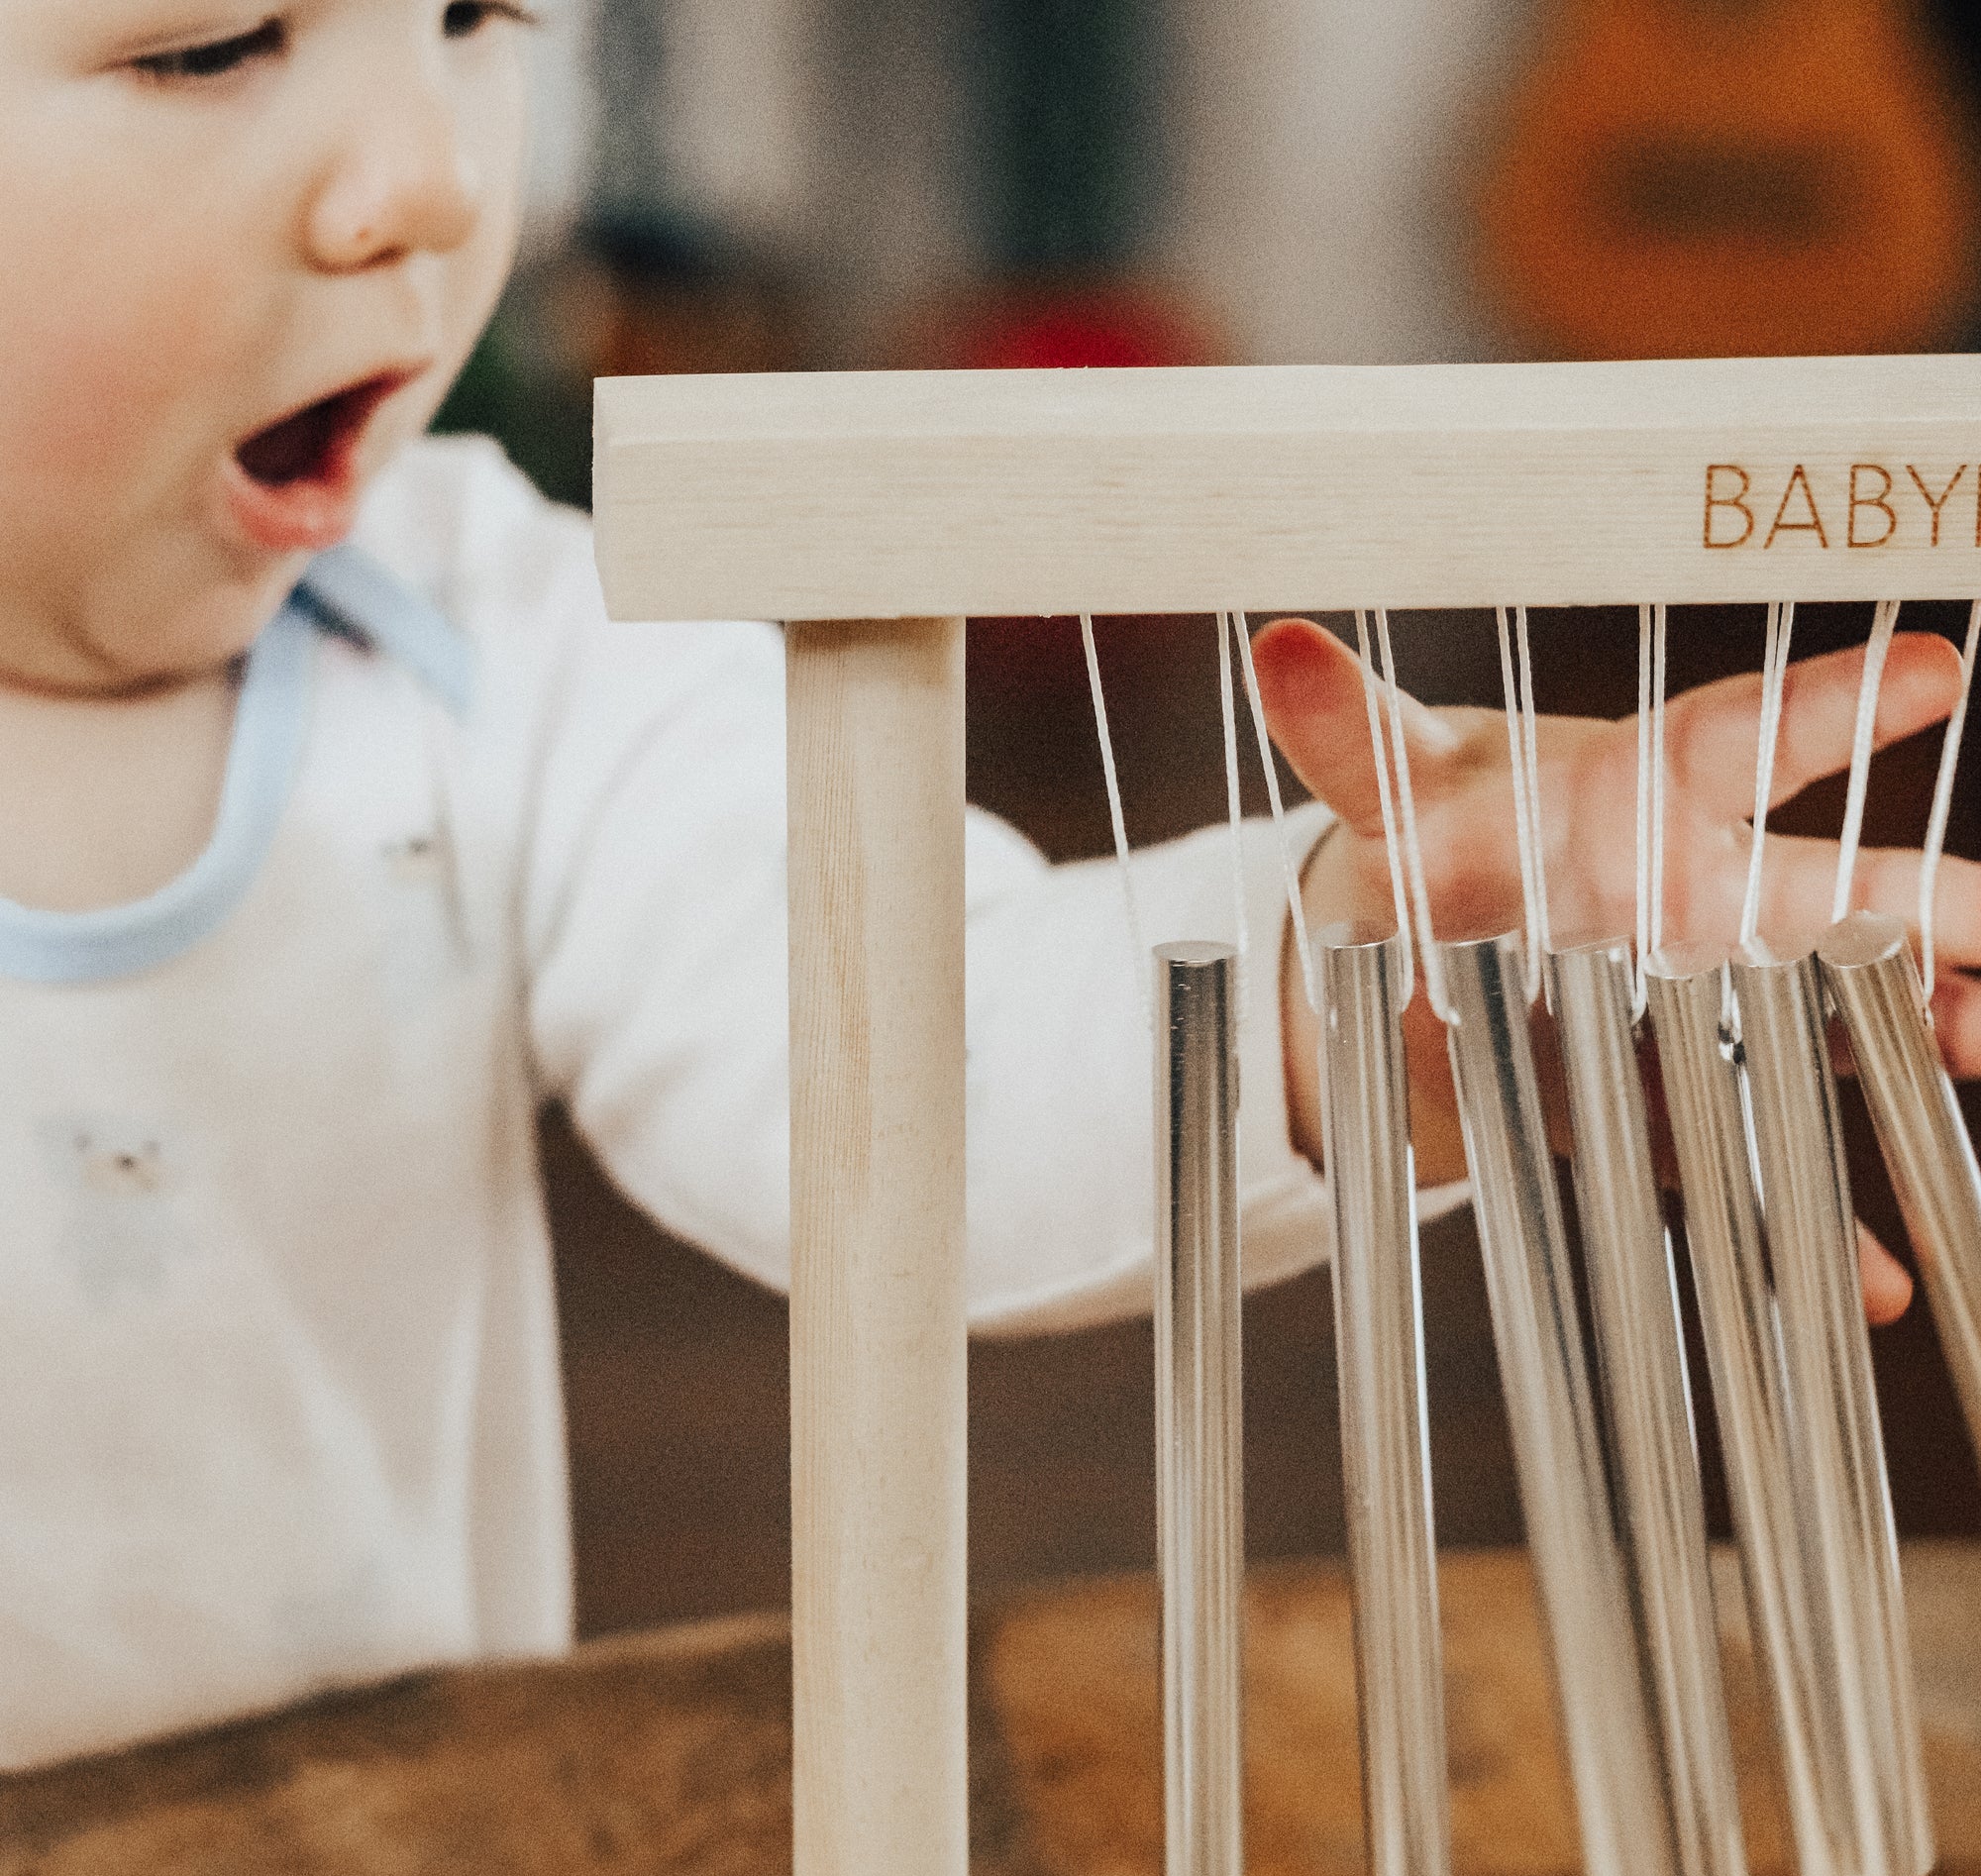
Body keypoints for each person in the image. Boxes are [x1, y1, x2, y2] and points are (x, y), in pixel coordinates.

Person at [0, 0, 1971, 1774]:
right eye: (210, 45)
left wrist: (1344, 976)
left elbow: (911, 1070)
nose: (426, 185)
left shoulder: (500, 646)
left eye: (475, 15)